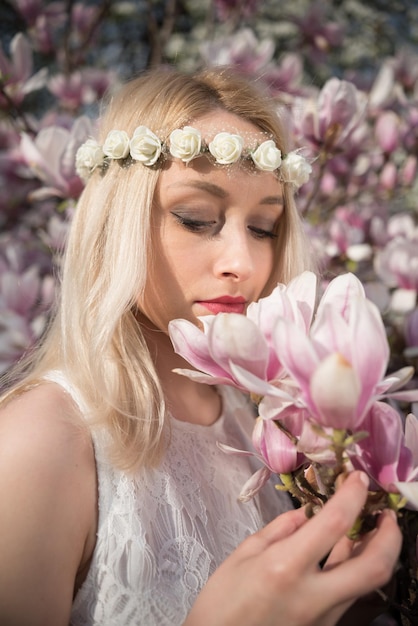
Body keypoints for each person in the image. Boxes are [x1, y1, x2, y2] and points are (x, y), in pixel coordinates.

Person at [0, 66, 401, 626]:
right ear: (118, 224)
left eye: (263, 227)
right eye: (196, 219)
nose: (242, 261)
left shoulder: (258, 416)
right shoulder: (38, 443)